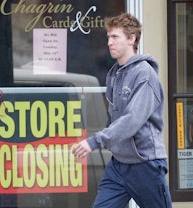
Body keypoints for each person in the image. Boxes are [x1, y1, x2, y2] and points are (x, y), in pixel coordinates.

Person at [72, 12, 172, 208]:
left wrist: (95, 141)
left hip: (145, 164)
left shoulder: (144, 74)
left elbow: (132, 120)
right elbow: (114, 118)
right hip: (118, 165)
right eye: (108, 37)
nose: (110, 42)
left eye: (115, 37)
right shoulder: (115, 74)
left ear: (131, 38)